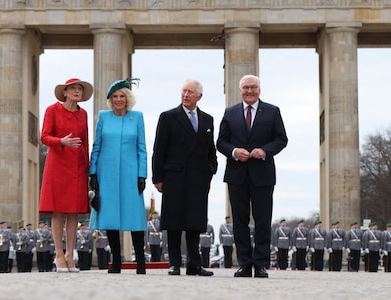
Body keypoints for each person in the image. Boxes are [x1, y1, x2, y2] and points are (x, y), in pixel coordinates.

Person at [216, 74, 288, 278]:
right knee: (239, 220)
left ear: (259, 90)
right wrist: (234, 151)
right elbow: (221, 142)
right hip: (236, 174)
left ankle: (261, 264)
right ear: (240, 90)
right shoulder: (230, 113)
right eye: (246, 87)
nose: (249, 91)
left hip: (263, 174)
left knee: (263, 220)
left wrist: (264, 151)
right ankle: (245, 264)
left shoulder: (273, 111)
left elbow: (281, 139)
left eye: (253, 87)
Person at [152, 79, 218, 277]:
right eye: (183, 91)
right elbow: (159, 149)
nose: (186, 95)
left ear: (199, 96)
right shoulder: (168, 117)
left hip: (198, 178)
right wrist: (158, 177)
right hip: (174, 176)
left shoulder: (208, 119)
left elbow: (210, 148)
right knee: (174, 222)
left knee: (195, 222)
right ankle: (174, 264)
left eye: (190, 92)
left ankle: (194, 265)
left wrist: (212, 167)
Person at [89, 78, 148, 275]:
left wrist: (142, 174)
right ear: (110, 99)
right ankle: (116, 262)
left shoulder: (137, 117)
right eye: (115, 96)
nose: (118, 99)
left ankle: (140, 262)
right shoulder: (104, 117)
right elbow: (96, 146)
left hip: (131, 174)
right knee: (110, 217)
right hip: (108, 174)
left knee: (135, 218)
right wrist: (93, 172)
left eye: (122, 96)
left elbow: (142, 148)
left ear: (128, 98)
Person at [39, 77, 93, 273]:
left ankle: (71, 255)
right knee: (58, 210)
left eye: (79, 89)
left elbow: (85, 142)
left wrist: (88, 169)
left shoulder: (83, 114)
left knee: (74, 211)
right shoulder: (52, 110)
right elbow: (44, 136)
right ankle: (59, 255)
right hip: (58, 164)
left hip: (77, 166)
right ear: (65, 92)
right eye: (73, 89)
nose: (77, 91)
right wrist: (61, 141)